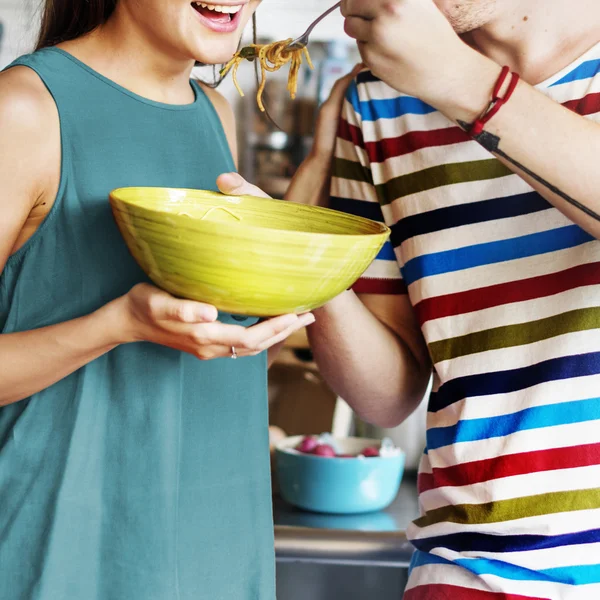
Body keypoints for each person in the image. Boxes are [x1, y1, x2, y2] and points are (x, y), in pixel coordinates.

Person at [221, 0, 600, 598]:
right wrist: (310, 264)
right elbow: (386, 393)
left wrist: (457, 79)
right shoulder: (377, 99)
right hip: (468, 568)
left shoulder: (434, 70)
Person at [0, 1, 354, 598]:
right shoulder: (24, 110)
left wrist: (324, 155)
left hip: (215, 543)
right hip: (66, 552)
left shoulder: (215, 112)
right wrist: (117, 324)